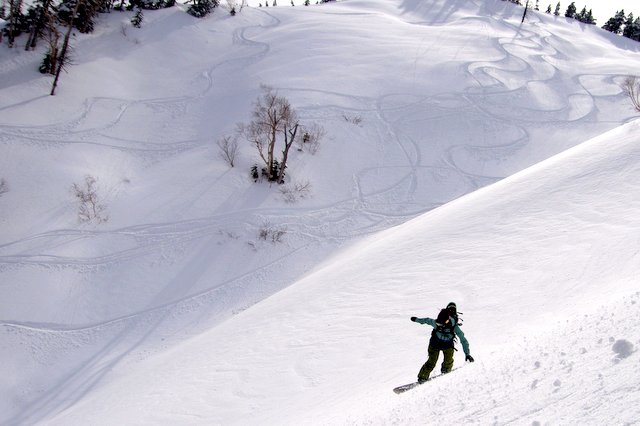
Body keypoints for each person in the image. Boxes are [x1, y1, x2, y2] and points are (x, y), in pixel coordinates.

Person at [410, 302, 474, 383]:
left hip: (446, 345)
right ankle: (422, 377)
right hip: (435, 344)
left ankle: (446, 371)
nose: (438, 324)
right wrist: (416, 319)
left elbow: (463, 340)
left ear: (447, 321)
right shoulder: (437, 322)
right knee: (431, 362)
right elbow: (426, 320)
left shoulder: (454, 327)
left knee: (448, 361)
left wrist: (467, 354)